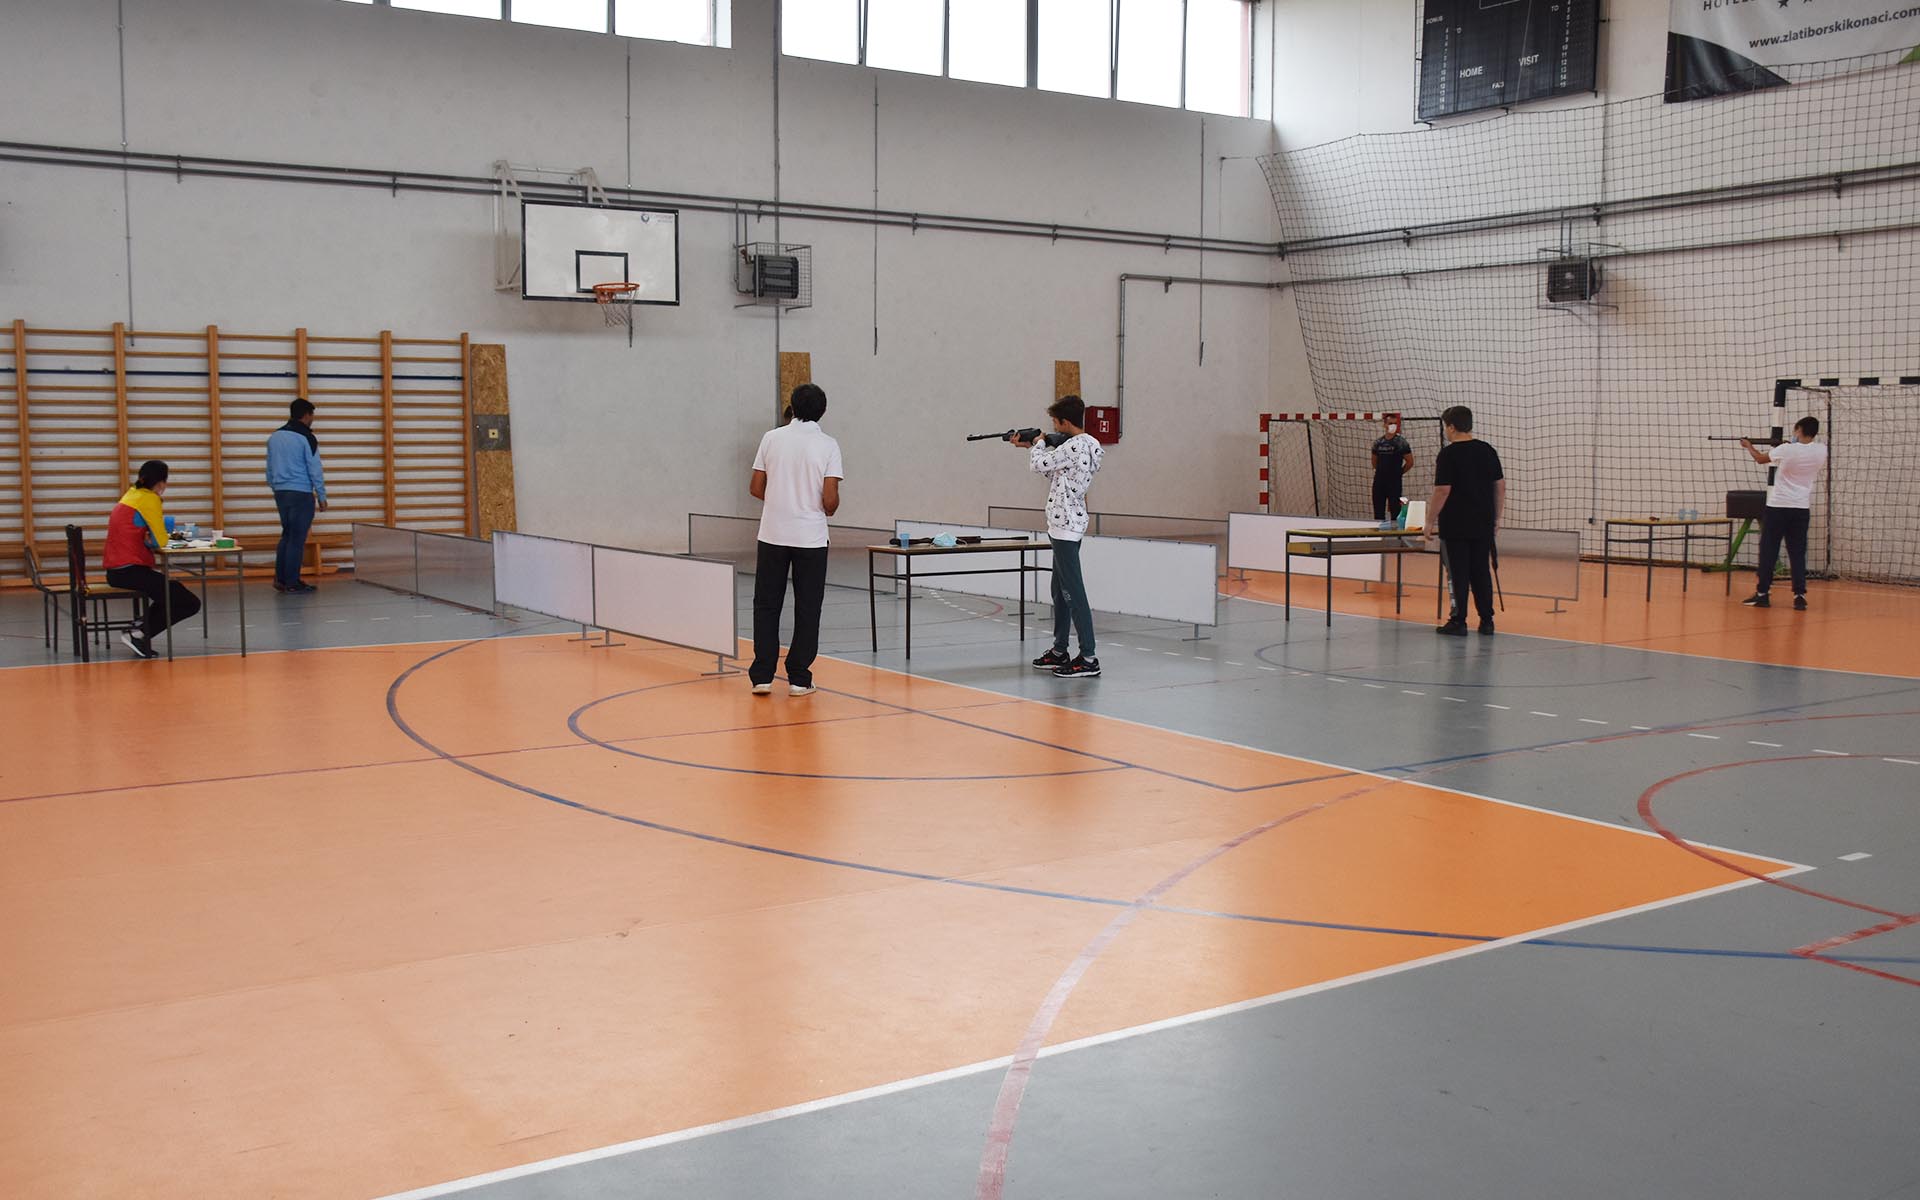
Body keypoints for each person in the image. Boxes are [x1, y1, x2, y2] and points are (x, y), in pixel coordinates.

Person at [748, 383, 844, 696]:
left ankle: (762, 676)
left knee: (766, 605)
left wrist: (781, 501)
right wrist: (823, 504)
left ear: (792, 406)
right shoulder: (828, 445)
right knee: (808, 607)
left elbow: (755, 487)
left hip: (772, 534)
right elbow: (829, 501)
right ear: (823, 411)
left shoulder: (771, 438)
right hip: (811, 539)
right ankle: (799, 679)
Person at [1015, 395, 1105, 678]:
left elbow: (1037, 465)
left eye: (1055, 422)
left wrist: (1038, 443)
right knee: (1060, 590)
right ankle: (1059, 650)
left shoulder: (1074, 446)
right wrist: (1034, 445)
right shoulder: (1088, 444)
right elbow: (1055, 474)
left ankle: (1088, 657)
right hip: (1065, 523)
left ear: (1065, 422)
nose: (1053, 426)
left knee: (1073, 592)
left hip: (1066, 526)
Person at [102, 460, 202, 659]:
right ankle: (137, 633)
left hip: (117, 570)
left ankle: (139, 627)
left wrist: (149, 539)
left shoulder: (132, 494)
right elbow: (162, 540)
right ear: (162, 482)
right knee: (189, 602)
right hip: (129, 571)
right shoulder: (150, 499)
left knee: (172, 591)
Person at [1424, 405, 1504, 636]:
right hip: (1483, 523)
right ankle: (1487, 621)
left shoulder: (1448, 455)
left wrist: (1430, 521)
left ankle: (1458, 620)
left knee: (1457, 573)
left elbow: (1442, 490)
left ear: (1451, 427)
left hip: (1455, 525)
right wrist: (1496, 518)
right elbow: (1499, 486)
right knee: (1481, 571)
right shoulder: (1487, 450)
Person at [1739, 417, 1827, 610]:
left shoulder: (1786, 449)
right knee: (1797, 552)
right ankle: (1799, 595)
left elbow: (1760, 459)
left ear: (1799, 429)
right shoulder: (1821, 450)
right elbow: (1802, 452)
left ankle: (1762, 593)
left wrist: (1749, 446)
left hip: (1778, 506)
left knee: (1769, 550)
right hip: (1801, 508)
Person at [266, 397, 327, 594]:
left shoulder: (275, 437)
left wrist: (275, 486)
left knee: (287, 535)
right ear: (306, 415)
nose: (312, 419)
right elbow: (314, 468)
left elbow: (269, 466)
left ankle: (281, 579)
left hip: (281, 491)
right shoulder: (306, 437)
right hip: (300, 492)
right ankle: (293, 581)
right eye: (312, 415)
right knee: (297, 538)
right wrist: (321, 495)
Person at [1370, 416, 1414, 524]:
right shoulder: (1378, 442)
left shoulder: (1401, 442)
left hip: (1394, 482)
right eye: (1390, 423)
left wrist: (1398, 473)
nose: (1392, 426)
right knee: (1378, 511)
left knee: (1395, 511)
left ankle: (1396, 533)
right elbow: (1374, 461)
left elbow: (1410, 462)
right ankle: (1378, 532)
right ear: (1384, 425)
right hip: (1379, 481)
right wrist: (1381, 472)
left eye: (1395, 423)